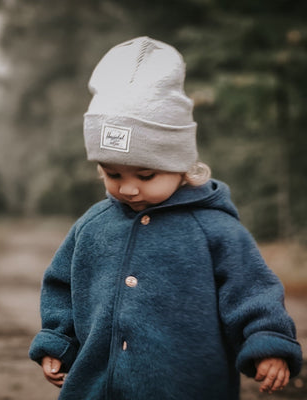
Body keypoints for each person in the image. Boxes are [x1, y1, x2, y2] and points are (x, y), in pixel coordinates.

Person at [29, 37, 302, 400]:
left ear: (181, 165)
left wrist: (268, 343)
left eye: (145, 176)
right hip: (94, 389)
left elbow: (252, 291)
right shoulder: (92, 227)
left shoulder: (214, 229)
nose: (128, 189)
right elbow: (61, 286)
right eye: (113, 174)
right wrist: (57, 341)